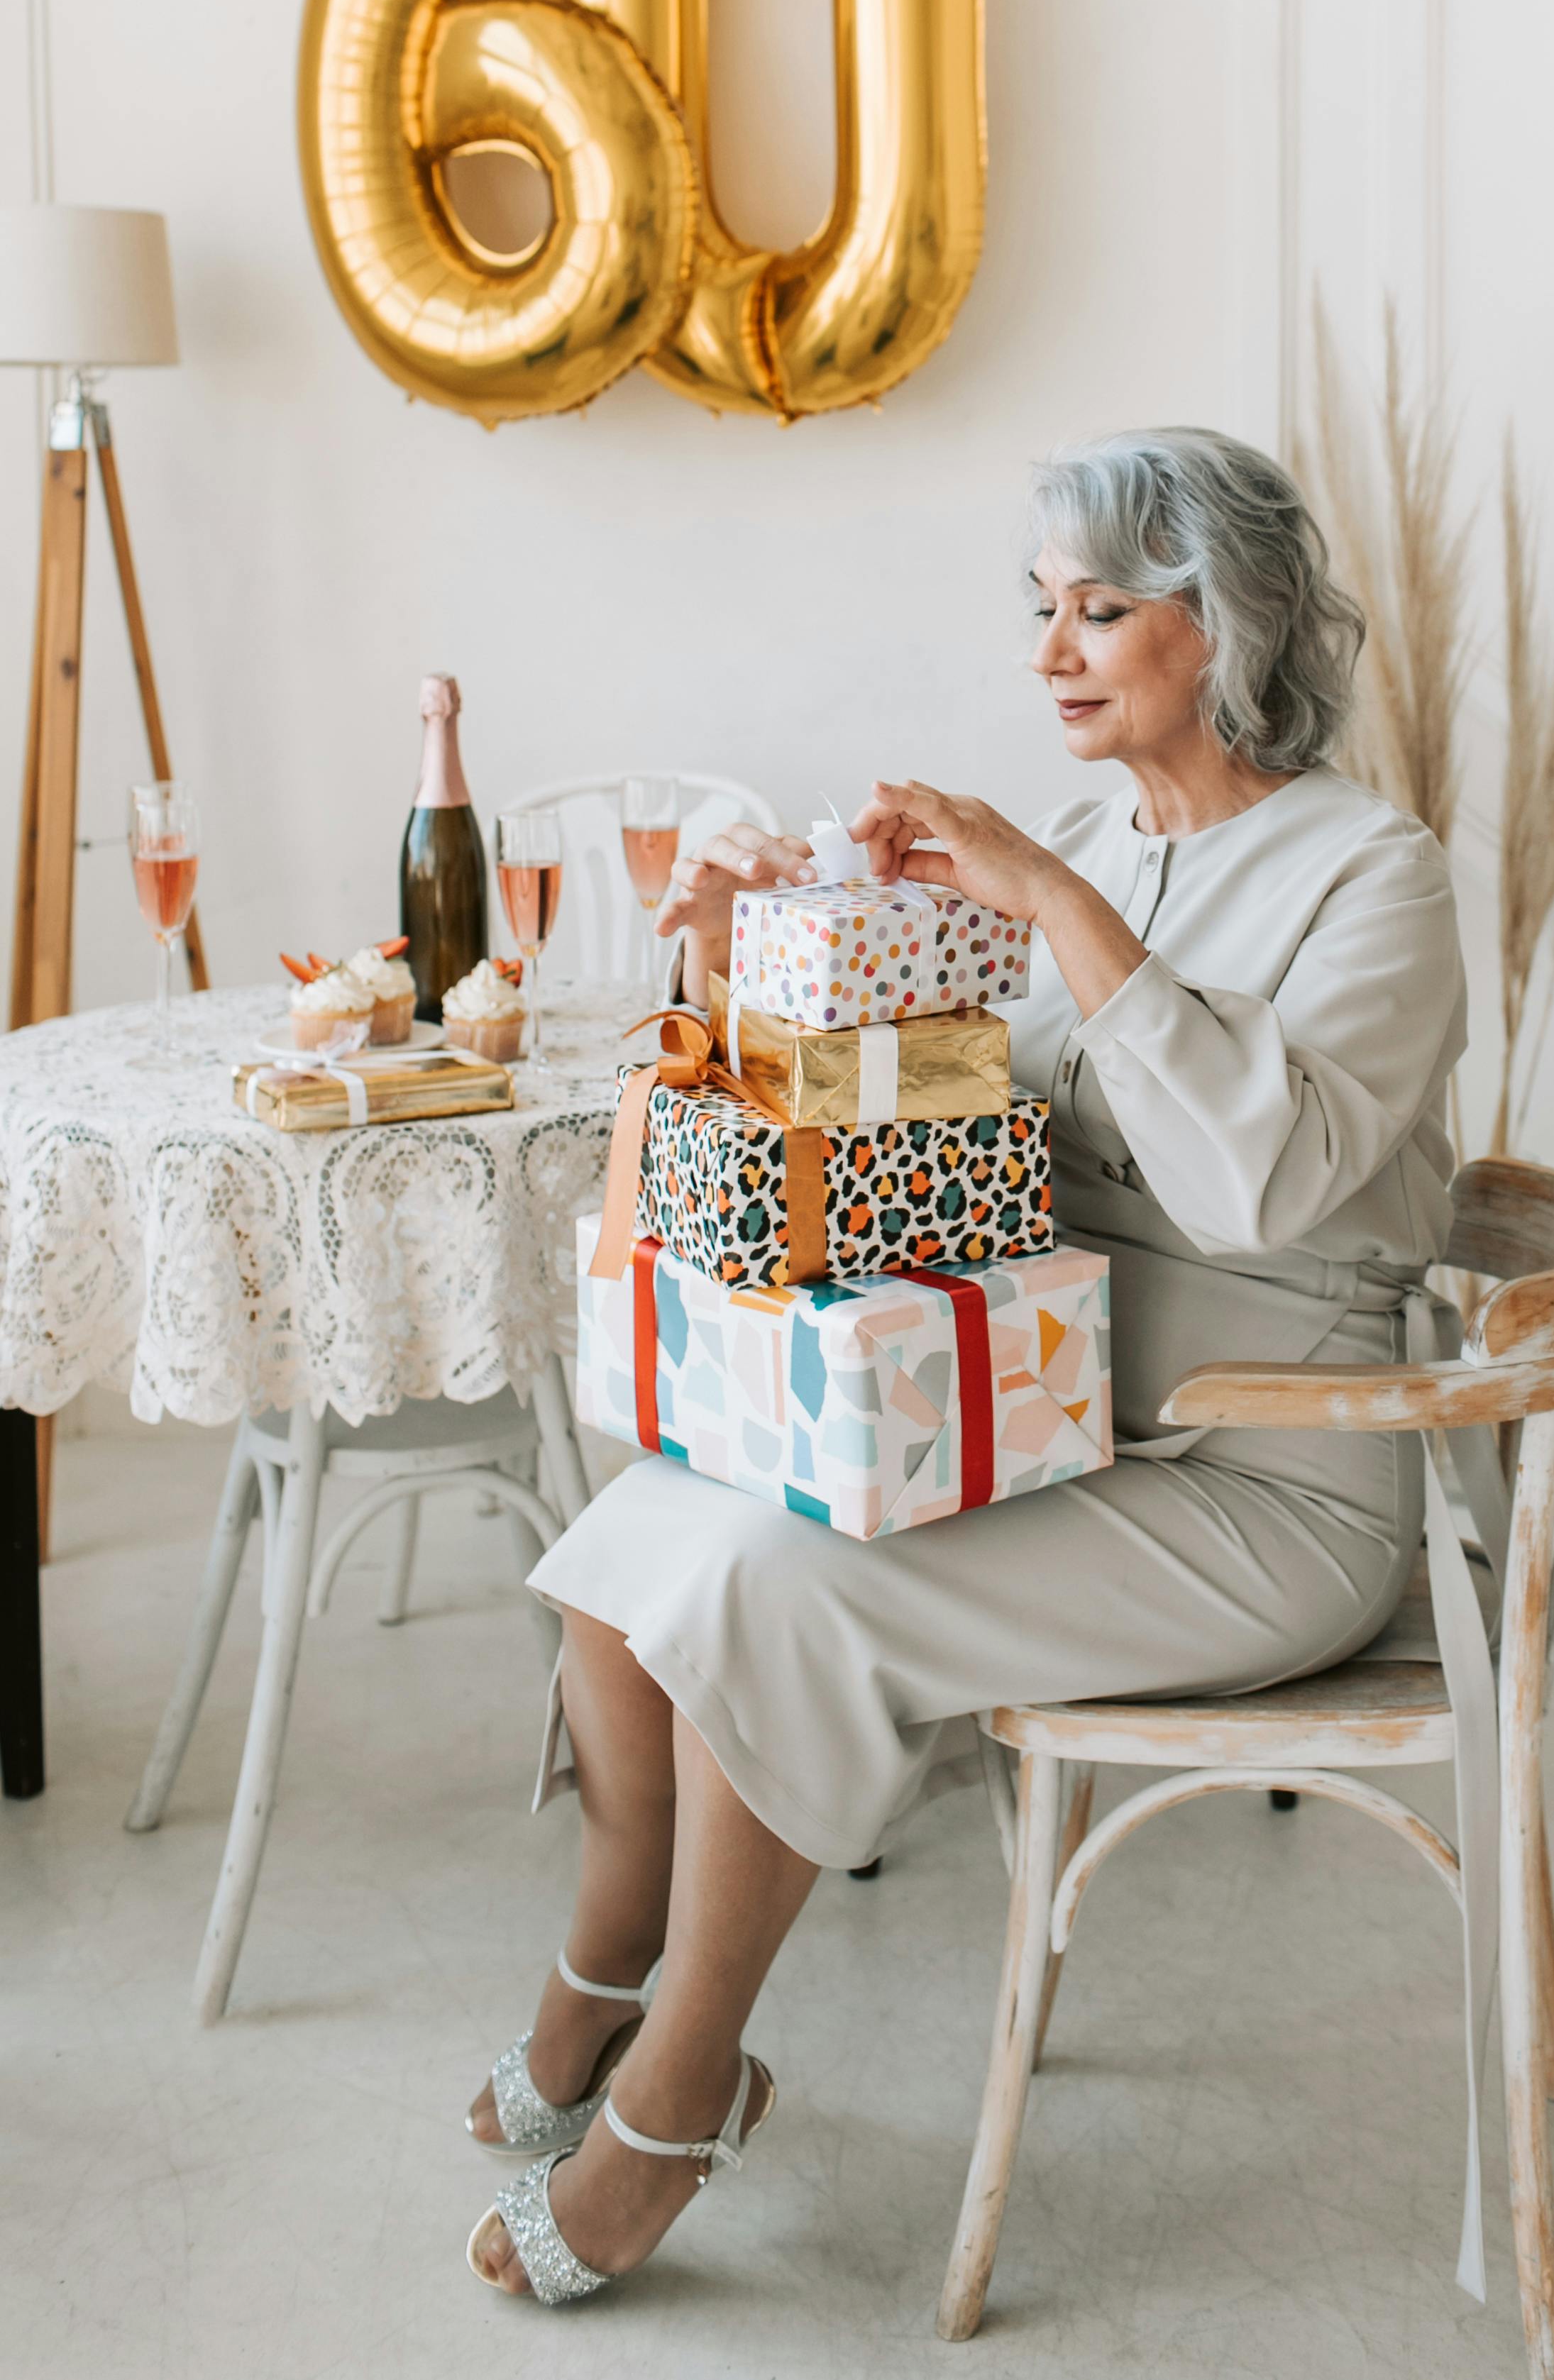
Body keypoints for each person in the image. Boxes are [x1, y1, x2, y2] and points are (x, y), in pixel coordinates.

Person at [465, 426, 1470, 2304]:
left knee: (778, 1580)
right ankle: (609, 1975)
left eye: (1101, 610)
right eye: (1042, 610)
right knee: (643, 1530)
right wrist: (759, 946)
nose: (1053, 652)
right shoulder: (1095, 839)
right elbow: (934, 1102)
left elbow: (1257, 1176)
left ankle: (674, 2101)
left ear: (1225, 619)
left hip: (1273, 1480)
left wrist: (1049, 908)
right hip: (1047, 1417)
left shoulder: (1375, 872)